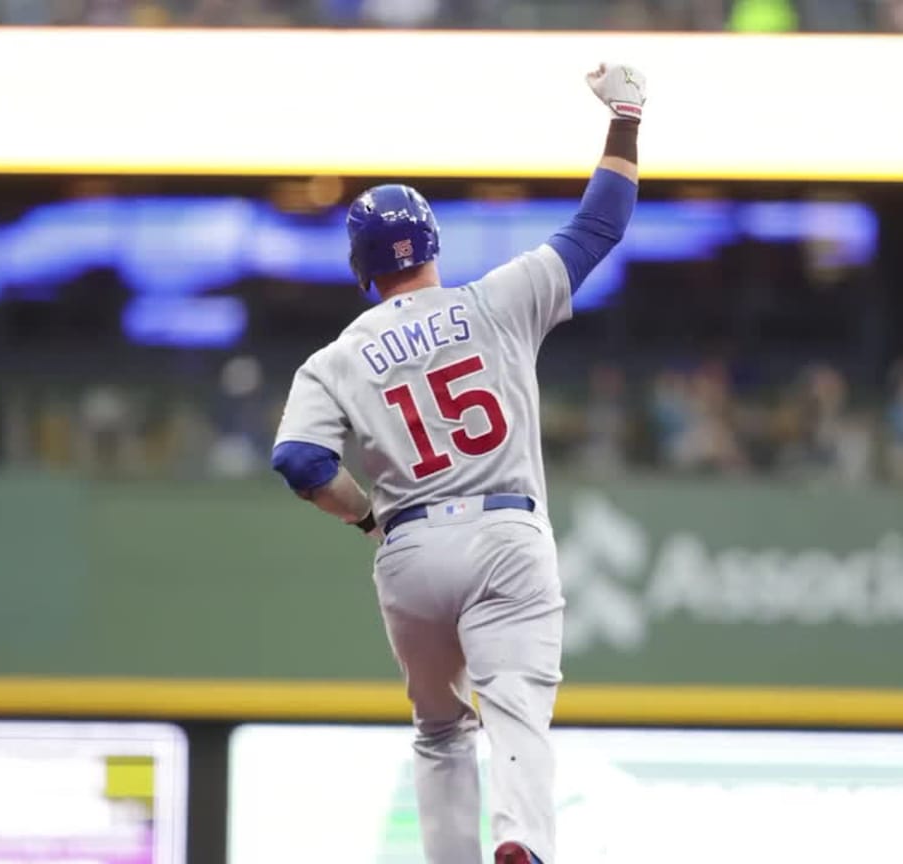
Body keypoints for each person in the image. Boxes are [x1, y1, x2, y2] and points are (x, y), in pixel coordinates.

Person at [268, 63, 645, 864]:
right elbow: (600, 223)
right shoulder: (496, 300)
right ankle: (520, 839)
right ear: (432, 244)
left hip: (410, 547)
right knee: (516, 705)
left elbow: (300, 462)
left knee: (439, 732)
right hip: (506, 530)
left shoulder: (336, 359)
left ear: (360, 267)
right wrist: (625, 116)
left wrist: (365, 513)